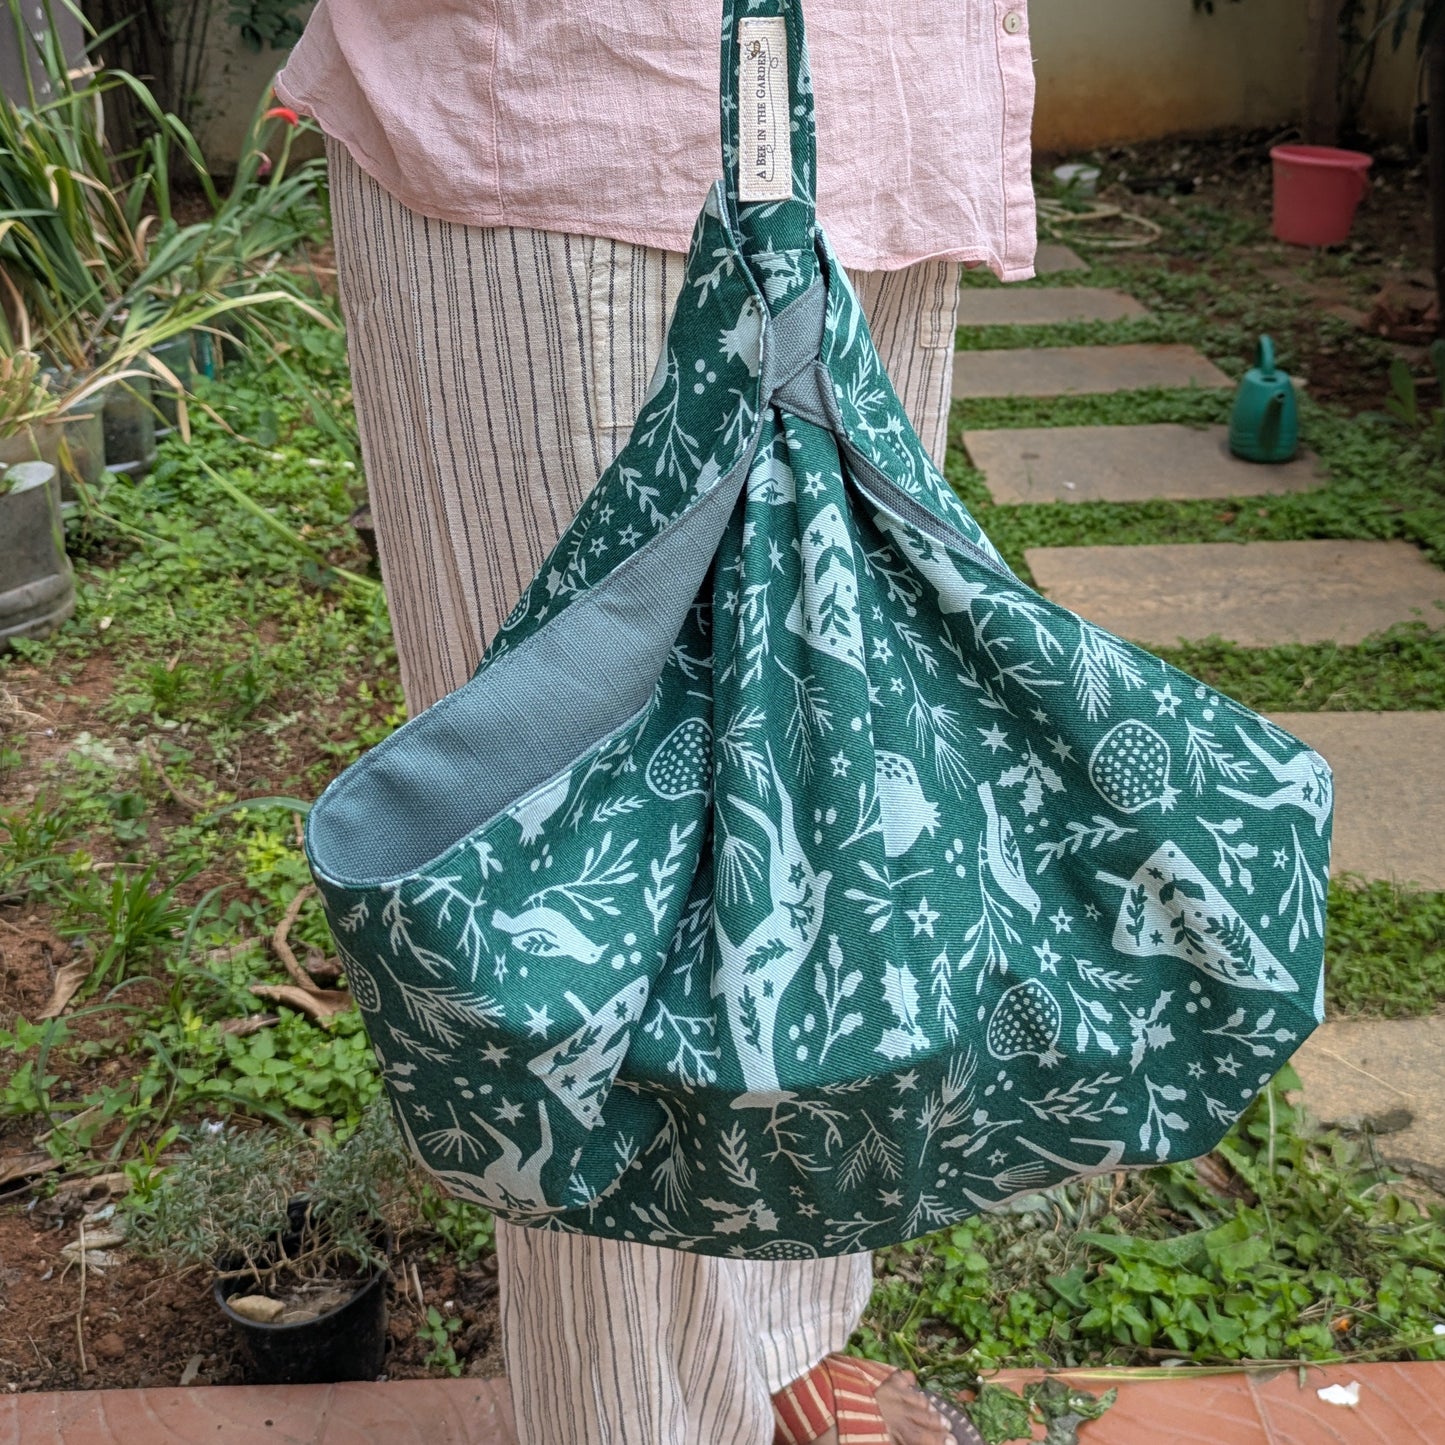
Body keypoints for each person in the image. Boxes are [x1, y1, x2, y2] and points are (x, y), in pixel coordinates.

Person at [276, 5, 1036, 1442]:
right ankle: (635, 1412)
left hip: (885, 113)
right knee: (580, 897)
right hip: (576, 106)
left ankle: (781, 1337)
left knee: (829, 823)